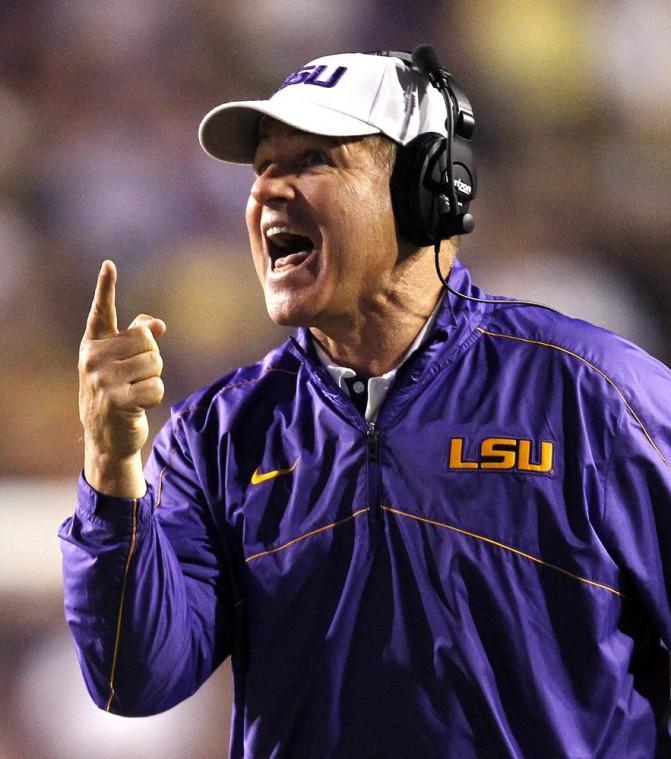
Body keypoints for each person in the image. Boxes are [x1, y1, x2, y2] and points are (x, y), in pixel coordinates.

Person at [59, 49, 671, 758]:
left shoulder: (591, 394)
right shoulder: (219, 434)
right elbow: (131, 678)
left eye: (313, 161)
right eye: (262, 169)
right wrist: (109, 466)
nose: (269, 193)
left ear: (426, 189)